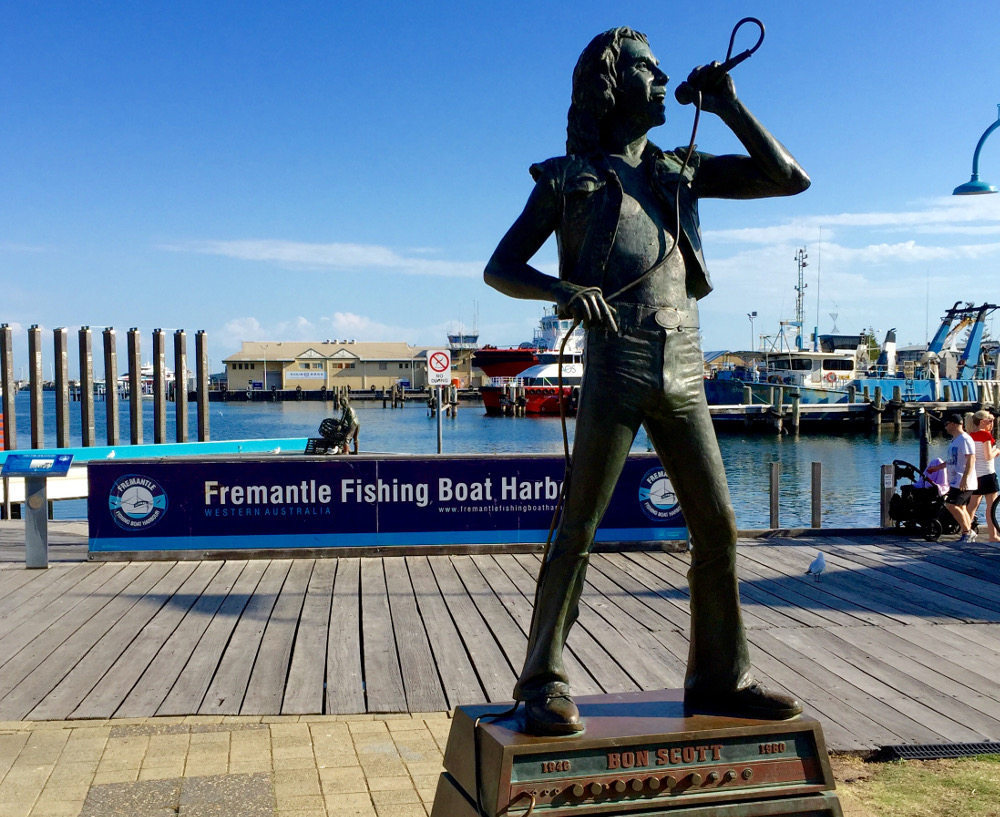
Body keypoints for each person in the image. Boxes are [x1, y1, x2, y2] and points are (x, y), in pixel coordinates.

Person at [484, 27, 810, 735]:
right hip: (617, 356)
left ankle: (721, 677)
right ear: (610, 84)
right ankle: (542, 677)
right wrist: (563, 290)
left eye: (664, 72)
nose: (663, 80)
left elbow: (788, 177)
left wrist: (727, 103)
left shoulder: (678, 169)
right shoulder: (569, 178)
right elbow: (500, 267)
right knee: (579, 525)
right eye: (647, 70)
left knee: (718, 526)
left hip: (687, 361)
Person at [928, 413, 977, 542]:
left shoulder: (965, 439)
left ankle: (967, 532)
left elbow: (971, 459)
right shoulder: (955, 440)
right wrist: (937, 468)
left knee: (951, 505)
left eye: (947, 424)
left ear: (954, 424)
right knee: (961, 507)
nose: (945, 427)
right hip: (955, 481)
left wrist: (965, 478)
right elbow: (951, 461)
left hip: (964, 481)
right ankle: (968, 532)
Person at [967, 409, 999, 541]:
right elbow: (988, 456)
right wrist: (997, 450)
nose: (992, 423)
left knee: (972, 507)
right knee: (991, 507)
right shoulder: (986, 436)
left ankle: (966, 532)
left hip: (976, 475)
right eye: (989, 421)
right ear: (982, 422)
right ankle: (993, 535)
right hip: (987, 474)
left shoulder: (970, 436)